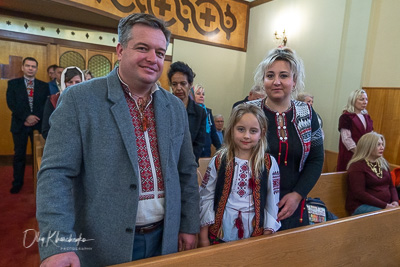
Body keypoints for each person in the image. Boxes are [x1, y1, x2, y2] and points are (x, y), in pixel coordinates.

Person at [36, 13, 200, 266]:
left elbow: (187, 172)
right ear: (120, 50)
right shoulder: (79, 100)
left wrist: (189, 225)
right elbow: (55, 175)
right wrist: (58, 244)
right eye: (142, 48)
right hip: (103, 242)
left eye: (159, 52)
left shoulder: (174, 107)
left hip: (165, 237)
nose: (152, 58)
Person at [250, 47, 324, 230]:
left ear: (294, 80)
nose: (276, 82)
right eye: (270, 76)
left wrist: (297, 195)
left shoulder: (307, 113)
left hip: (293, 205)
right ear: (263, 79)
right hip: (250, 204)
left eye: (283, 75)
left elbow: (316, 159)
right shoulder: (248, 111)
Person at [198, 104, 280, 246]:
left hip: (254, 235)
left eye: (253, 131)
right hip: (220, 232)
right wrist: (203, 236)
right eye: (241, 129)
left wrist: (266, 236)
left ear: (262, 133)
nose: (246, 136)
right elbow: (206, 197)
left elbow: (272, 203)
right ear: (231, 130)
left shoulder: (268, 163)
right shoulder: (219, 160)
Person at [6, 57, 50, 194]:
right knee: (19, 155)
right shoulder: (13, 84)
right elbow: (11, 103)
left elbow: (45, 105)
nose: (31, 68)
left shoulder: (44, 86)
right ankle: (17, 183)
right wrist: (26, 117)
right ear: (23, 68)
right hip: (20, 124)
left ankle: (41, 183)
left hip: (37, 125)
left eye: (33, 66)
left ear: (36, 69)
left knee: (40, 155)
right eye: (28, 66)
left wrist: (34, 118)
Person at [346, 132, 399, 215]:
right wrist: (385, 205)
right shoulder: (357, 166)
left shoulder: (383, 163)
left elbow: (391, 187)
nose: (382, 147)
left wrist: (395, 201)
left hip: (385, 205)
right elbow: (359, 193)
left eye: (382, 144)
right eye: (378, 145)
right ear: (368, 147)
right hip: (361, 206)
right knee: (391, 216)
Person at [168, 61, 206, 164]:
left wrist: (188, 164)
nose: (178, 88)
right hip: (167, 163)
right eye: (174, 84)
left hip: (189, 163)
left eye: (183, 83)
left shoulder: (200, 112)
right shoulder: (165, 108)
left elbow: (199, 144)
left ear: (190, 85)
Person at [41, 67, 84, 139]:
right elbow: (46, 130)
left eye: (77, 82)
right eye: (70, 82)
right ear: (63, 83)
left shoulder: (87, 102)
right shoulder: (53, 100)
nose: (74, 85)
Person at [337, 89, 373, 171]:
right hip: (351, 154)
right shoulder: (346, 117)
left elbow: (371, 135)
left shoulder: (366, 116)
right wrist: (359, 153)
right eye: (361, 99)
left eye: (366, 99)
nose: (365, 102)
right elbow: (346, 139)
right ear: (353, 100)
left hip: (365, 155)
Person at [192, 84, 221, 157]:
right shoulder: (190, 111)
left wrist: (220, 148)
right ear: (192, 95)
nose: (201, 96)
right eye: (198, 94)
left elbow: (213, 132)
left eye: (203, 94)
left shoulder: (207, 112)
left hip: (206, 148)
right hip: (193, 149)